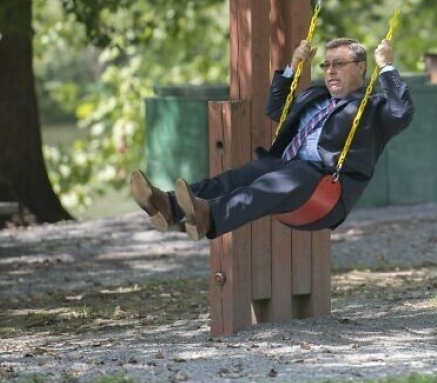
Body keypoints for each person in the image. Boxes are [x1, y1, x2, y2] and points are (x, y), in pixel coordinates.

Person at [130, 37, 414, 240]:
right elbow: (275, 109)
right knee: (237, 177)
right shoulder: (314, 96)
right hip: (285, 166)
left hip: (325, 183)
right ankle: (169, 206)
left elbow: (402, 112)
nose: (330, 71)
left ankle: (210, 216)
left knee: (269, 183)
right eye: (326, 65)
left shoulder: (373, 107)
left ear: (361, 67)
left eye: (339, 64)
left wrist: (387, 67)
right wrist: (293, 67)